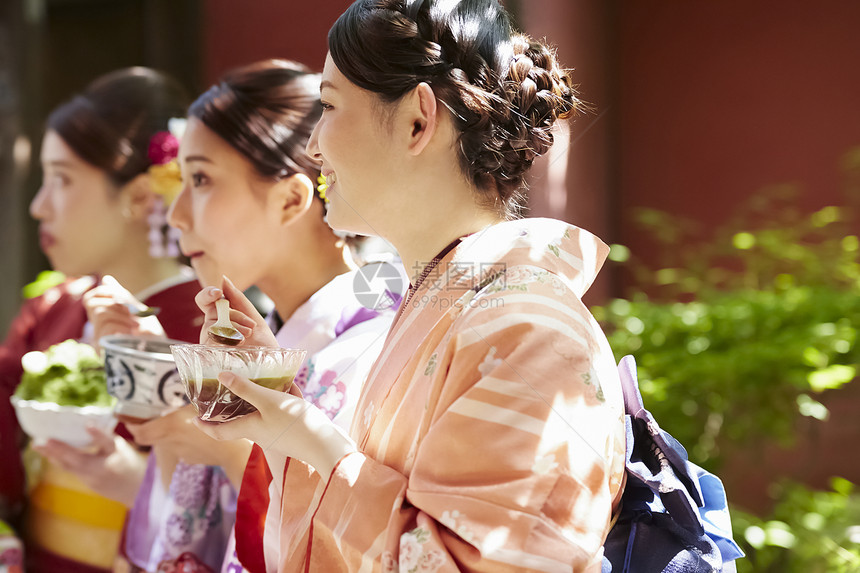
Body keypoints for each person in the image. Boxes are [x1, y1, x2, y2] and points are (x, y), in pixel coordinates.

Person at [194, 0, 627, 571]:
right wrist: (282, 415)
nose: (314, 147)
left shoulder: (528, 329)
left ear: (418, 121)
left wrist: (306, 436)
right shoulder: (464, 305)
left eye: (328, 105)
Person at [115, 59, 402, 573]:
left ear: (292, 198)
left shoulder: (378, 344)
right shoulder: (260, 339)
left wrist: (235, 455)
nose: (176, 214)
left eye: (200, 179)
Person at [0, 67, 203, 573]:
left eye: (61, 180)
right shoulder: (50, 308)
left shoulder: (209, 323)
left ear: (138, 197)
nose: (38, 207)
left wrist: (139, 477)